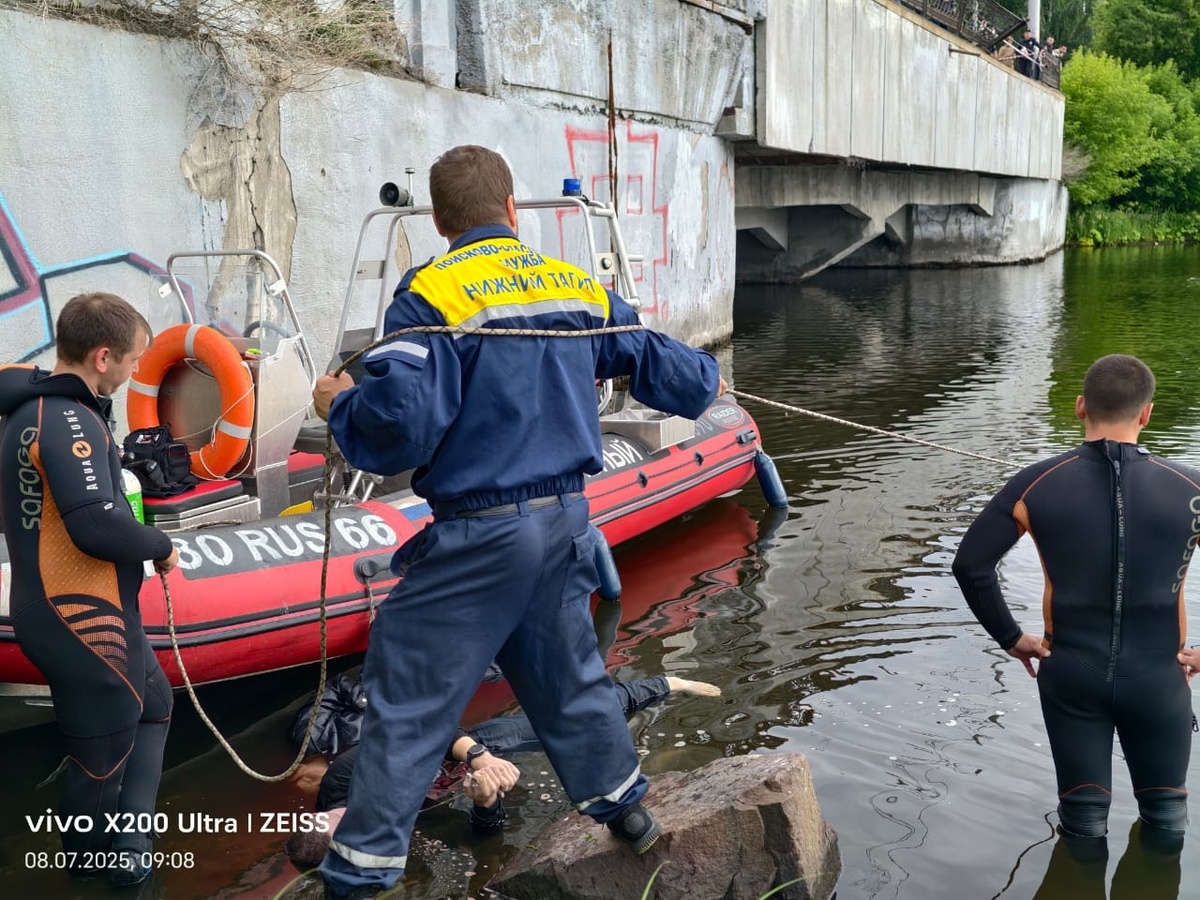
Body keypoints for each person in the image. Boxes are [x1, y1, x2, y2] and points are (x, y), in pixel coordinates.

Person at [311, 144, 726, 898]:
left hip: (479, 531)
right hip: (566, 520)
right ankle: (627, 812)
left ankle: (360, 875)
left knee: (406, 698)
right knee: (567, 674)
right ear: (512, 209)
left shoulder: (432, 294)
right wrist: (709, 378)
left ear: (439, 220)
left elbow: (400, 423)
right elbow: (682, 377)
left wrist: (338, 403)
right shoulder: (573, 285)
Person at [953, 354, 1200, 853]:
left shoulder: (1035, 482)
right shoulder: (1191, 487)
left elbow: (971, 567)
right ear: (1147, 413)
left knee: (1083, 822)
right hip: (1159, 677)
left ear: (1080, 406)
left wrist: (1011, 638)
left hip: (1070, 674)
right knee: (1166, 819)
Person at [0, 292, 180, 886]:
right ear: (102, 357)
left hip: (81, 604)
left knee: (154, 706)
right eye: (131, 361)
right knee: (98, 763)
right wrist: (161, 546)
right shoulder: (67, 418)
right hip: (78, 617)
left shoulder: (36, 408)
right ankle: (93, 870)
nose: (133, 372)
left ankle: (132, 839)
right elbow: (95, 523)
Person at [284, 676, 721, 868]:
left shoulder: (342, 778)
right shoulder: (388, 846)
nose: (346, 817)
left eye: (333, 817)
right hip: (461, 781)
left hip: (460, 748)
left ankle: (665, 684)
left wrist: (477, 757)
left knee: (563, 718)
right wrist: (486, 801)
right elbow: (483, 839)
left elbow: (425, 733)